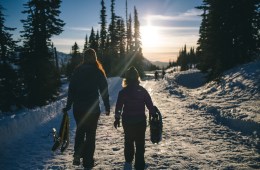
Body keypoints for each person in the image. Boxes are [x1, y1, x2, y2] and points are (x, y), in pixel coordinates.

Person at [63, 48, 110, 169]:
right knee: (90, 135)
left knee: (80, 130)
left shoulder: (77, 71)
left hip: (78, 109)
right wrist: (107, 106)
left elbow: (71, 90)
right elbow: (104, 90)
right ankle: (88, 161)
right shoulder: (97, 71)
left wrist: (68, 105)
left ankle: (78, 154)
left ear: (84, 58)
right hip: (93, 110)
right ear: (94, 58)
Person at [114, 67, 155, 170]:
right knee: (140, 143)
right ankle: (139, 164)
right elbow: (150, 105)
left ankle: (128, 162)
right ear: (137, 78)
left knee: (128, 141)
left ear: (127, 78)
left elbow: (119, 107)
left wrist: (117, 118)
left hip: (127, 122)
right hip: (140, 121)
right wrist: (153, 114)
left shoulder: (123, 92)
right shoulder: (142, 91)